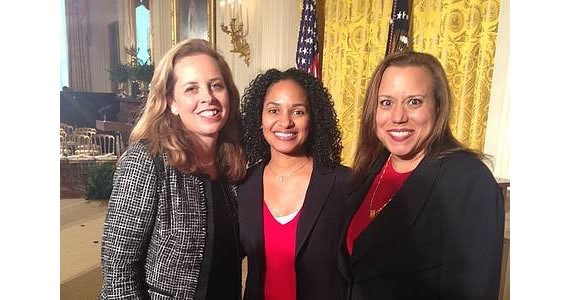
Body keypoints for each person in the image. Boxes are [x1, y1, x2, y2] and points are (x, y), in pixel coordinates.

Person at [340, 51, 505, 299]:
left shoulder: (469, 181)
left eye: (414, 101)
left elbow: (474, 290)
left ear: (438, 107)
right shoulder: (372, 167)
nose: (398, 116)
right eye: (386, 102)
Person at [100, 39, 247, 299]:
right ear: (172, 102)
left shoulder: (234, 161)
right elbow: (117, 274)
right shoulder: (147, 161)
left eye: (216, 85)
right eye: (191, 88)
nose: (208, 97)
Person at [239, 68, 350, 300]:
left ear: (313, 119)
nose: (285, 122)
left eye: (298, 111)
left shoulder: (343, 184)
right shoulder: (244, 184)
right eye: (273, 110)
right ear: (259, 118)